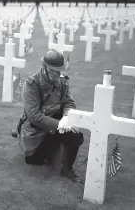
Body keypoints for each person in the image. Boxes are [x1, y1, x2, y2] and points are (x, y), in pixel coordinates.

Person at [12, 49, 84, 183]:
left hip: (54, 124)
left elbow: (69, 102)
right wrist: (60, 125)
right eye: (53, 70)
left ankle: (67, 169)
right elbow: (34, 115)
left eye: (59, 71)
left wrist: (67, 118)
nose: (57, 74)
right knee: (35, 160)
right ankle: (47, 148)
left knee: (76, 135)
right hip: (36, 132)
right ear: (44, 67)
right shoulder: (31, 84)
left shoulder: (62, 81)